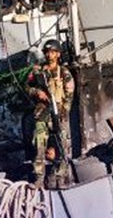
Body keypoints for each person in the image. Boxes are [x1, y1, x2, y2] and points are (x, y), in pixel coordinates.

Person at [24, 39, 76, 188]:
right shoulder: (37, 71)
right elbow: (27, 87)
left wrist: (64, 111)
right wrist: (37, 92)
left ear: (58, 54)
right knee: (39, 145)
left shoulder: (64, 72)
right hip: (42, 112)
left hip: (58, 113)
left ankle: (60, 178)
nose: (49, 55)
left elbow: (69, 94)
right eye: (47, 52)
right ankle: (39, 178)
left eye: (53, 52)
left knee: (62, 146)